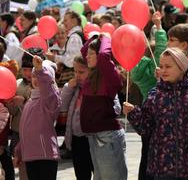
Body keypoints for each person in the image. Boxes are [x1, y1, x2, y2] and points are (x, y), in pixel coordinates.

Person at [123, 47, 188, 180]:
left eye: (168, 66)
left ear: (182, 67)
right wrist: (134, 113)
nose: (163, 70)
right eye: (161, 66)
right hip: (160, 169)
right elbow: (145, 129)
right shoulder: (155, 95)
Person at [80, 33, 127, 180]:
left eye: (91, 54)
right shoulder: (92, 75)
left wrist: (106, 38)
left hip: (107, 137)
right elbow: (83, 51)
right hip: (95, 136)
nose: (87, 56)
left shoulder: (110, 76)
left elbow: (104, 57)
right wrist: (95, 37)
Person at [131, 12, 167, 180]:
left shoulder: (137, 70)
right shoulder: (156, 70)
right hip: (160, 116)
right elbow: (161, 48)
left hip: (146, 113)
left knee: (146, 153)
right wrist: (159, 27)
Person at [14, 56, 61, 180]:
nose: (36, 79)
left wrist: (41, 71)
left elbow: (48, 90)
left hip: (45, 156)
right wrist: (19, 151)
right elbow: (25, 131)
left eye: (39, 75)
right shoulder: (30, 101)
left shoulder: (51, 100)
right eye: (34, 75)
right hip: (30, 156)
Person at [7, 48, 45, 180]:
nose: (28, 73)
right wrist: (11, 104)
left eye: (31, 69)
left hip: (37, 134)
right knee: (23, 169)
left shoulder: (42, 87)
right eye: (25, 70)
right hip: (18, 133)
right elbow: (11, 113)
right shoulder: (17, 84)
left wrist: (23, 103)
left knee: (36, 168)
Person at [60, 56, 94, 180]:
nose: (77, 75)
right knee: (81, 173)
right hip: (76, 139)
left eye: (81, 72)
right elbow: (62, 105)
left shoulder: (98, 87)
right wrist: (68, 88)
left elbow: (114, 107)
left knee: (97, 171)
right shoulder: (74, 88)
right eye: (75, 71)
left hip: (91, 138)